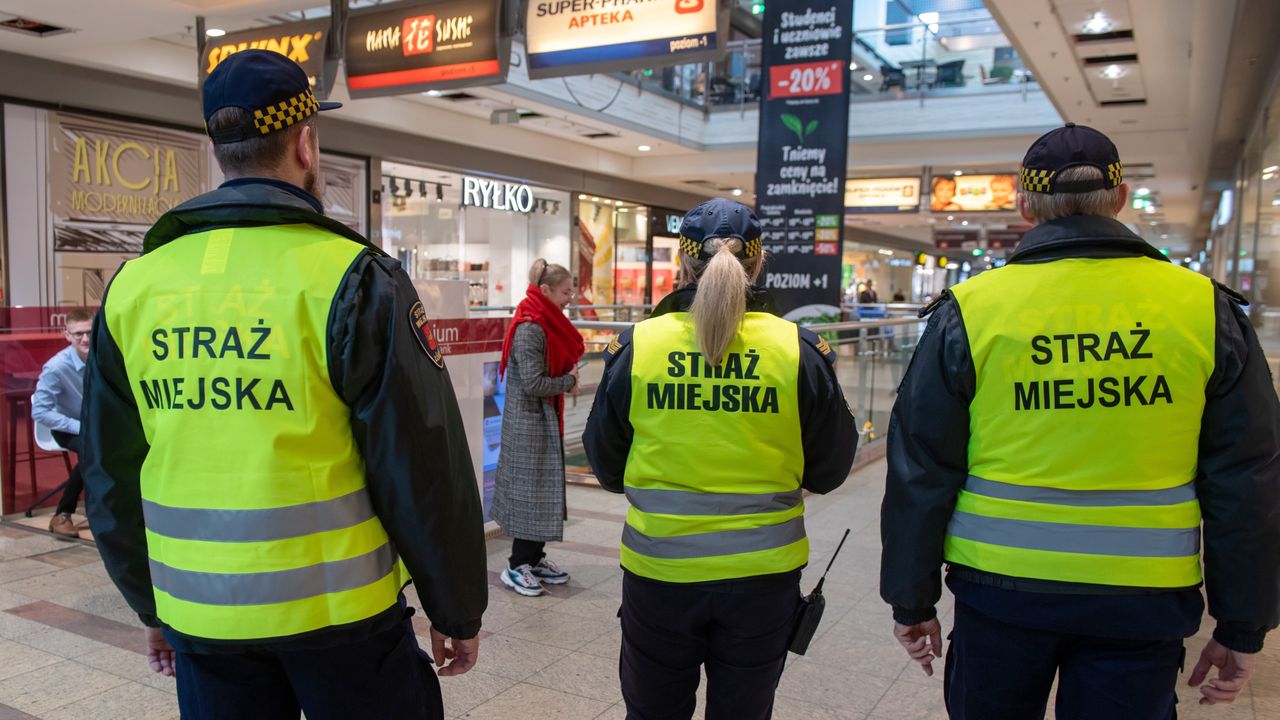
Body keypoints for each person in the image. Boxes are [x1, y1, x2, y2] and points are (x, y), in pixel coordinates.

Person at [80, 50, 488, 719]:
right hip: (340, 617)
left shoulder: (134, 286)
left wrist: (148, 603)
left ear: (220, 152)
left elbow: (107, 469)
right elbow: (421, 464)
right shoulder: (354, 279)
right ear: (305, 142)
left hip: (202, 616)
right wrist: (456, 607)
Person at [881, 123, 1280, 719]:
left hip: (1000, 594)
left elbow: (921, 469)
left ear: (1023, 206)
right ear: (1120, 200)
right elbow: (1247, 479)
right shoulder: (1204, 308)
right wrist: (1243, 621)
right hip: (1142, 599)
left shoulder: (972, 311)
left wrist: (911, 602)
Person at [584, 198, 859, 719]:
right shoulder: (797, 349)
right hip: (763, 580)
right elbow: (830, 470)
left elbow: (606, 467)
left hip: (659, 573)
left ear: (682, 265)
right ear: (757, 263)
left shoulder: (639, 346)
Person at [491, 259, 585, 597]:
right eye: (565, 291)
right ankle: (516, 566)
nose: (569, 298)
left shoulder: (545, 321)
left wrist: (564, 381)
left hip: (542, 418)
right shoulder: (531, 326)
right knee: (531, 495)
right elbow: (532, 382)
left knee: (542, 492)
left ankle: (534, 558)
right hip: (529, 422)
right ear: (545, 291)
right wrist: (568, 381)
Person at [31, 308, 93, 538]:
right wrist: (80, 427)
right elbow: (40, 411)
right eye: (78, 334)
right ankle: (62, 514)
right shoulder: (56, 367)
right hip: (66, 427)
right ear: (66, 335)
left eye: (89, 332)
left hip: (95, 426)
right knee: (92, 448)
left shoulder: (103, 359)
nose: (85, 338)